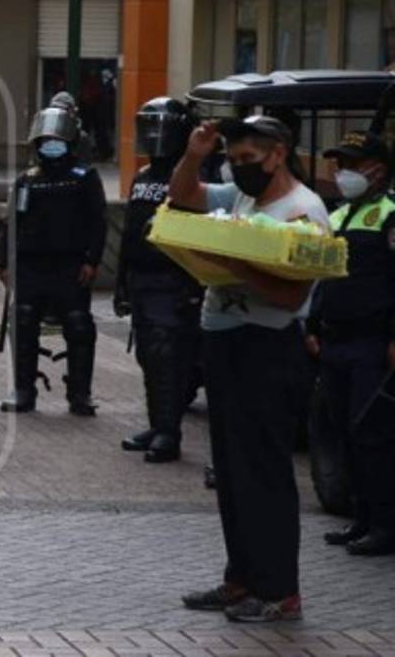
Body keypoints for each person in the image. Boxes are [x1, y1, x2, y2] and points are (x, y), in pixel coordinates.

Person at [169, 115, 330, 623]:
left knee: (264, 471)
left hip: (266, 347)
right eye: (232, 160)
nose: (240, 169)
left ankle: (280, 591)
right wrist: (195, 154)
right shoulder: (240, 199)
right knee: (233, 473)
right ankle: (241, 578)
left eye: (248, 160)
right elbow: (184, 196)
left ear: (278, 153)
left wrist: (234, 263)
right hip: (224, 345)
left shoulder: (303, 212)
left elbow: (291, 295)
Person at [306, 130, 395, 557]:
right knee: (343, 431)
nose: (344, 173)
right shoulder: (338, 215)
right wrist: (312, 325)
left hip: (372, 343)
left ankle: (384, 524)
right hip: (335, 342)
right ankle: (361, 519)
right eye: (340, 164)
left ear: (378, 169)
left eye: (353, 165)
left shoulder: (390, 214)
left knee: (372, 435)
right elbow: (326, 276)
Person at [0, 105, 107, 416]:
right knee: (24, 320)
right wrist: (6, 263)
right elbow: (13, 222)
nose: (51, 144)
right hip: (32, 265)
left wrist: (92, 259)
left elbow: (97, 221)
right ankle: (23, 389)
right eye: (45, 139)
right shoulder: (27, 180)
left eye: (57, 138)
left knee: (78, 324)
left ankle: (80, 393)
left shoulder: (84, 177)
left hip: (71, 264)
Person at [114, 97, 203, 462]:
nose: (153, 136)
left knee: (169, 356)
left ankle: (170, 431)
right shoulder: (144, 176)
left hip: (174, 280)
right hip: (142, 279)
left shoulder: (190, 178)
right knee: (149, 356)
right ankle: (157, 423)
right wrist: (121, 283)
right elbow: (130, 232)